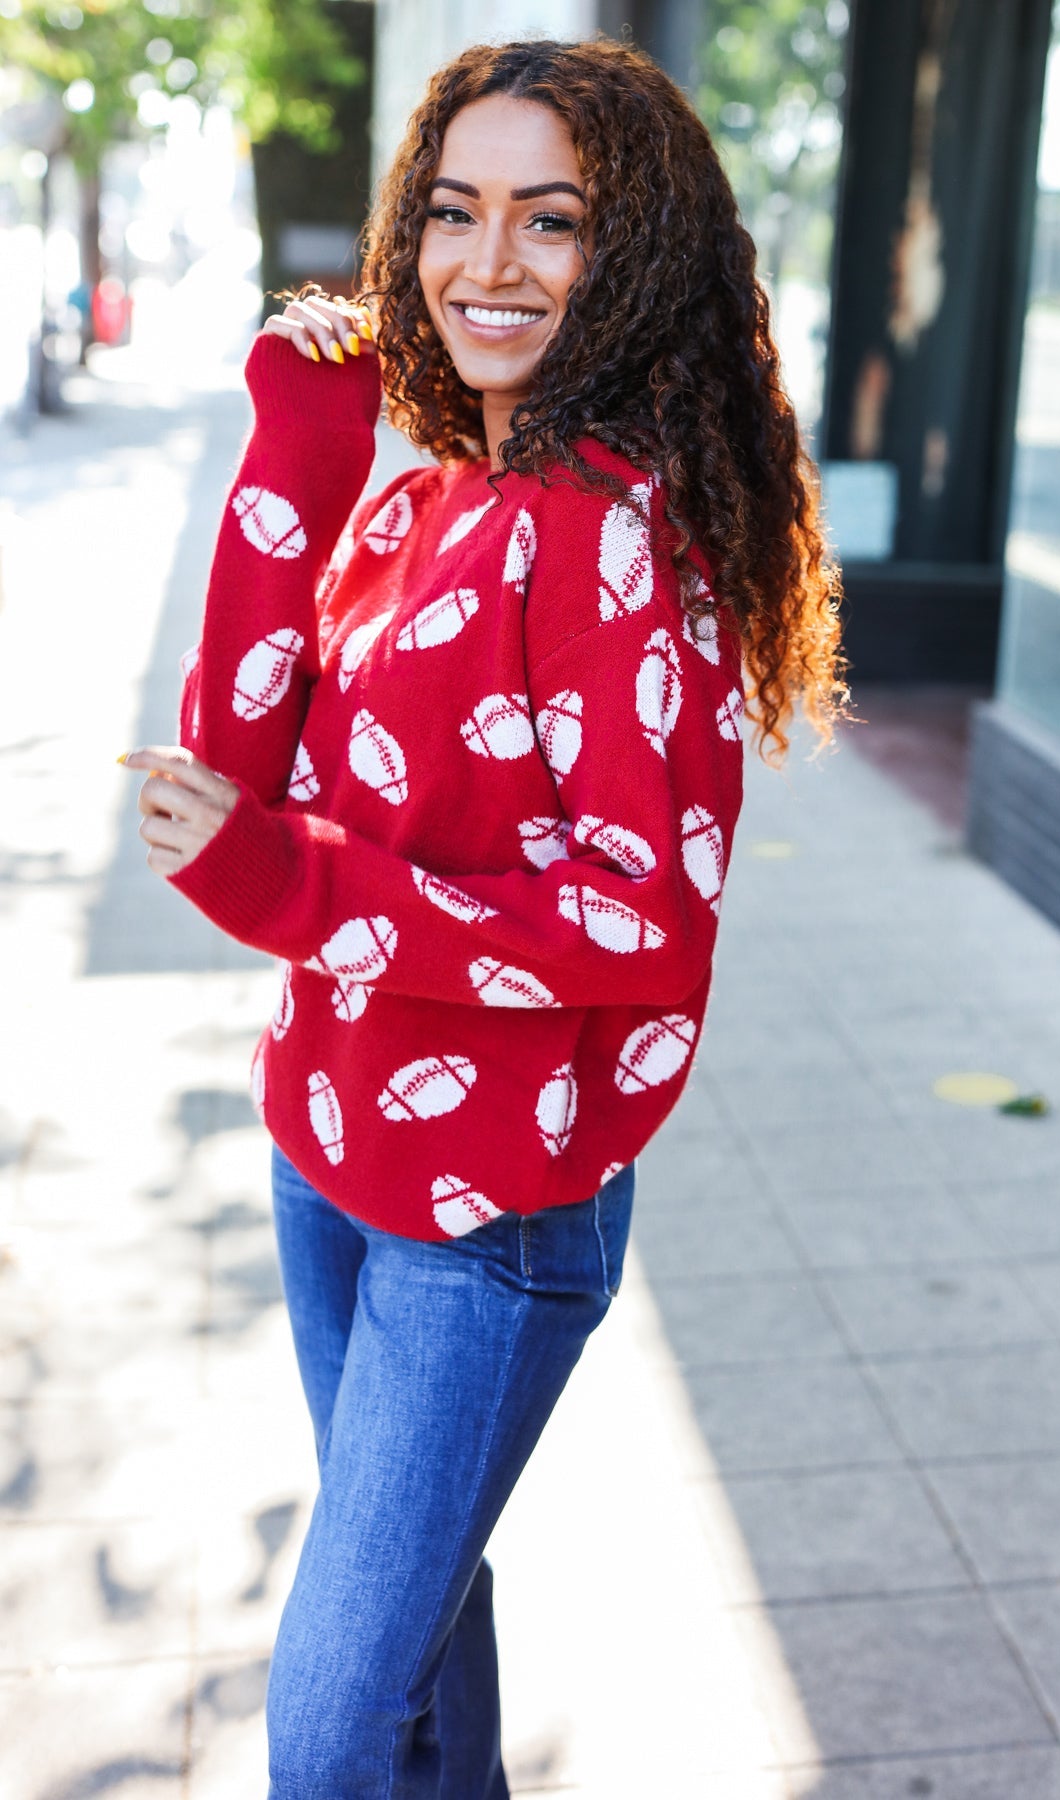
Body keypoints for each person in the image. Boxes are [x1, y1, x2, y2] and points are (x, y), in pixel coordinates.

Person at [120, 36, 846, 1800]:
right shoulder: (431, 493)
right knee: (422, 1648)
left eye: (551, 220)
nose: (486, 262)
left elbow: (639, 921)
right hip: (327, 1141)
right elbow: (238, 769)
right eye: (453, 212)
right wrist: (300, 445)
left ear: (634, 251)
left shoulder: (614, 538)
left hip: (492, 1209)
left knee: (328, 1731)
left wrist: (295, 882)